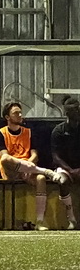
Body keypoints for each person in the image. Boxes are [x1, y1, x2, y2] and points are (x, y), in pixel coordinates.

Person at [0, 102, 71, 230]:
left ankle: (40, 222)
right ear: (7, 117)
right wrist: (24, 164)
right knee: (5, 159)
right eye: (15, 113)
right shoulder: (1, 133)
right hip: (10, 171)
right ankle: (46, 171)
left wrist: (29, 163)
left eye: (20, 112)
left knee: (41, 179)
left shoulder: (28, 132)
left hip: (28, 168)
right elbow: (4, 156)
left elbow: (35, 154)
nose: (20, 115)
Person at [50, 97, 80, 230]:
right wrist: (71, 170)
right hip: (65, 168)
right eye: (75, 110)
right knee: (62, 182)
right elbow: (56, 157)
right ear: (67, 113)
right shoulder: (58, 131)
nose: (78, 112)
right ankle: (71, 219)